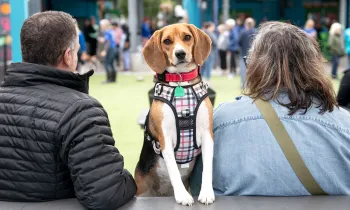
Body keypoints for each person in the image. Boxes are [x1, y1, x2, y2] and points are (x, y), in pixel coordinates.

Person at [190, 21, 350, 196]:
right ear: (314, 66)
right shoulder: (344, 124)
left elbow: (199, 187)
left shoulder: (221, 120)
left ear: (256, 66)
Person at [1, 11, 136, 208]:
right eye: (77, 50)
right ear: (68, 55)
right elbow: (106, 194)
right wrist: (130, 178)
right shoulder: (81, 111)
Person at [238, 17, 256, 88]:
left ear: (246, 24)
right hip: (254, 55)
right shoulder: (256, 32)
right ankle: (252, 85)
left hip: (244, 54)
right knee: (254, 71)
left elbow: (239, 43)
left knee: (243, 71)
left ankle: (244, 85)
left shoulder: (243, 32)